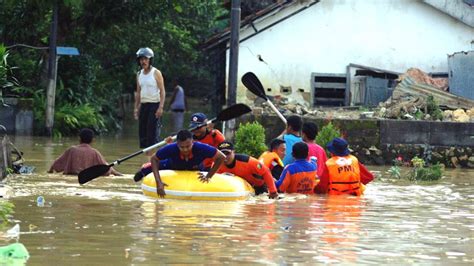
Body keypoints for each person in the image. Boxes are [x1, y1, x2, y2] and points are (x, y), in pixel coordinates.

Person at [148, 130, 226, 197]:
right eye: (182, 147)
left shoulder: (201, 147)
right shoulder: (171, 148)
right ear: (177, 144)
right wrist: (158, 182)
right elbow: (154, 158)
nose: (185, 150)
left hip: (196, 167)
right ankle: (144, 170)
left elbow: (221, 157)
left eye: (188, 146)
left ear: (193, 142)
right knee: (146, 169)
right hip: (173, 165)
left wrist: (209, 175)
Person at [212, 141, 278, 199]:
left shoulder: (248, 161)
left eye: (227, 153)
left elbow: (266, 171)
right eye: (222, 154)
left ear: (233, 152)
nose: (225, 157)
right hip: (238, 189)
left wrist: (273, 191)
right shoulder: (216, 165)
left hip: (259, 188)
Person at [48, 128, 121, 176]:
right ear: (92, 140)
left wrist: (49, 172)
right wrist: (117, 173)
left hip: (70, 179)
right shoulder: (95, 153)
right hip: (86, 179)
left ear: (79, 139)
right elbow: (106, 169)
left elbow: (55, 165)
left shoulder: (71, 150)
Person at [134, 47, 166, 151]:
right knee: (143, 135)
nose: (143, 61)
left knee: (152, 135)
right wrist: (136, 108)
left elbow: (162, 91)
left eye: (145, 59)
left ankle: (153, 160)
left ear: (150, 60)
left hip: (155, 105)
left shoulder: (156, 73)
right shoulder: (139, 74)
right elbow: (138, 92)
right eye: (141, 59)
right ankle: (146, 160)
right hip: (144, 106)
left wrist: (160, 107)